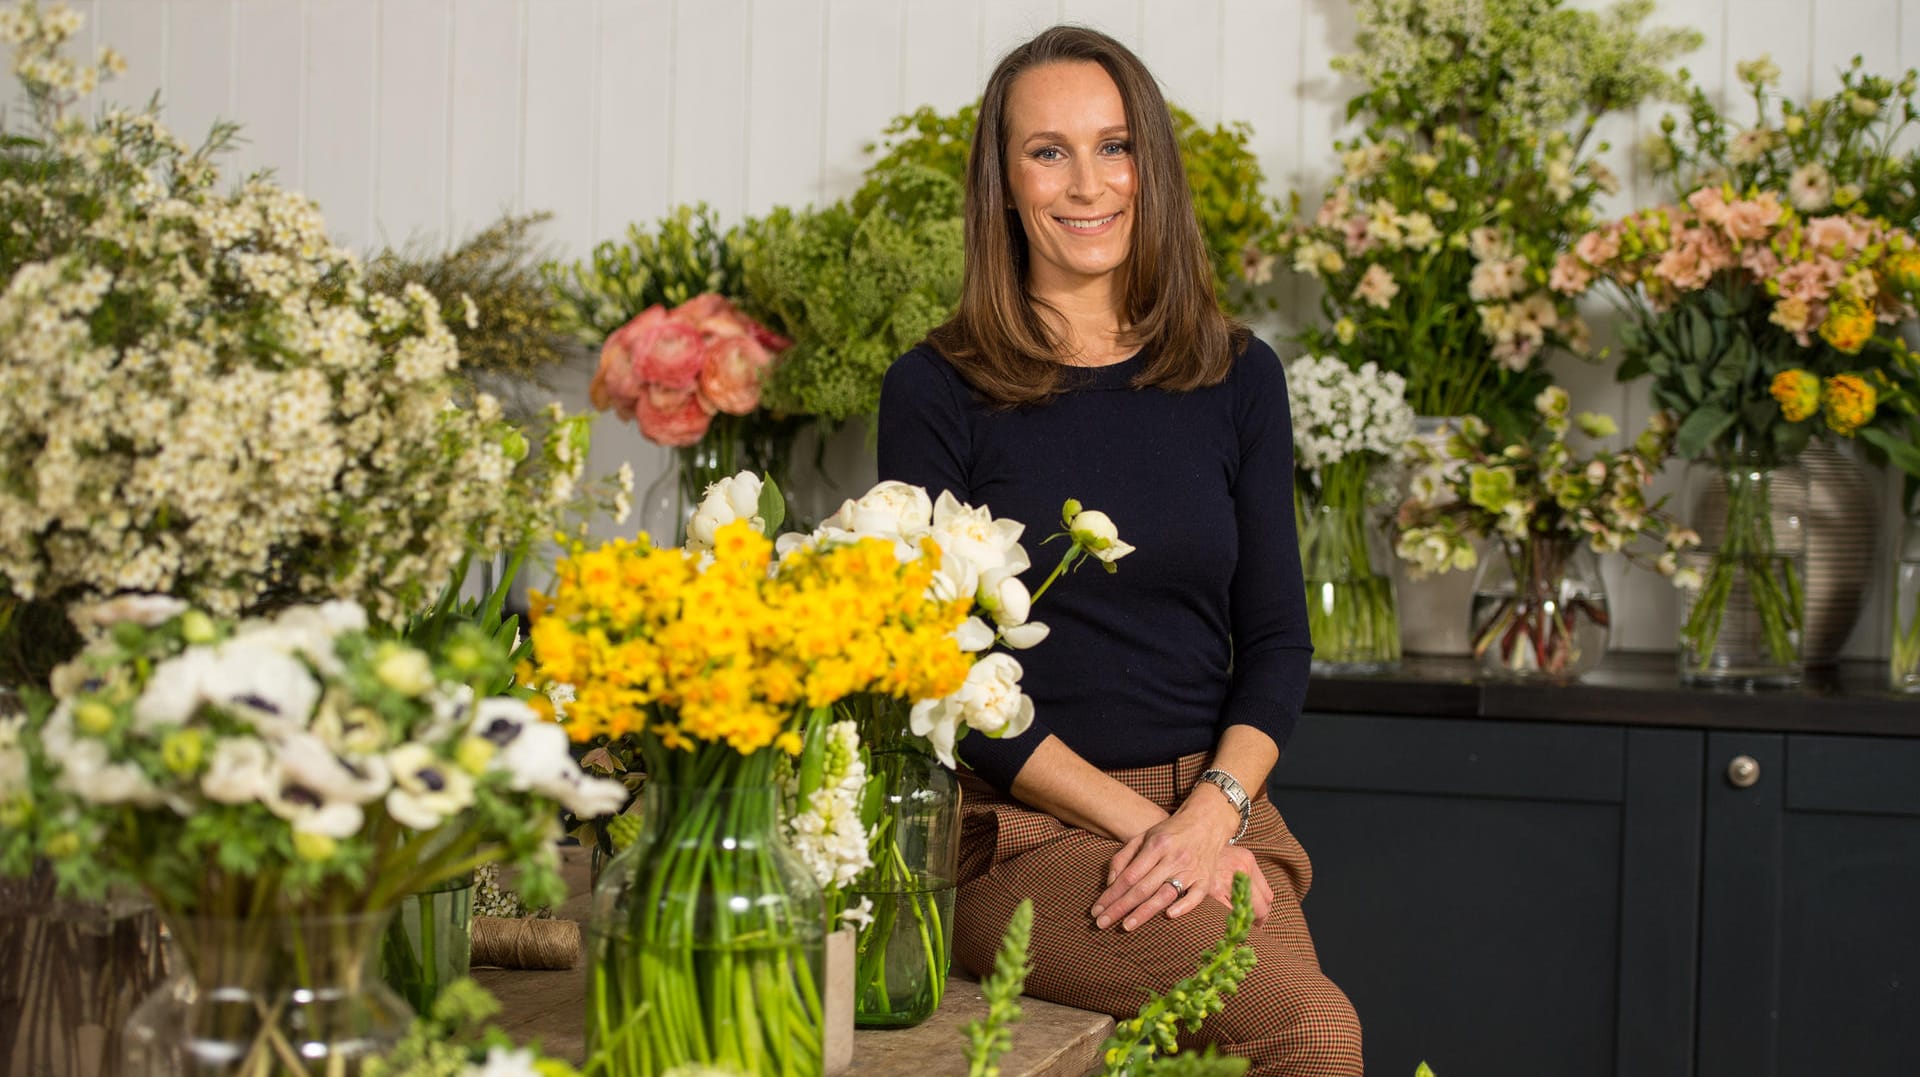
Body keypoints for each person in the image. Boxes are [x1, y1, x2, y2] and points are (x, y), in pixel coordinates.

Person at [876, 24, 1363, 1077]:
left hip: (1219, 806)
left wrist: (1209, 814)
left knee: (1273, 1043)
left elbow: (1277, 641)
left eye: (1115, 146)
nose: (1087, 182)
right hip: (1027, 827)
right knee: (1312, 1035)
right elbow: (943, 674)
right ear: (1002, 183)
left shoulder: (1237, 374)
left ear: (1152, 166)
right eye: (1047, 151)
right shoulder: (936, 389)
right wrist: (1154, 831)